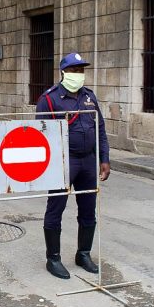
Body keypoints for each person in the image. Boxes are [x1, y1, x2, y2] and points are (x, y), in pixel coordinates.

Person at [35, 53, 110, 279]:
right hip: (63, 161)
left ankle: (83, 254)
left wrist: (104, 158)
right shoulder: (49, 99)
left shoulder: (89, 97)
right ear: (64, 72)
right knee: (55, 208)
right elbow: (40, 136)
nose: (78, 74)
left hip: (87, 161)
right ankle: (53, 258)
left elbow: (101, 129)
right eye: (74, 70)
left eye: (81, 70)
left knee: (88, 209)